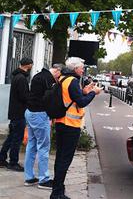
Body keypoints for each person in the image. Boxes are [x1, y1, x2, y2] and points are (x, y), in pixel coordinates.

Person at [50, 57, 102, 199]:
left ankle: (58, 190)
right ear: (74, 69)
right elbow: (81, 102)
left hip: (61, 122)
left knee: (60, 158)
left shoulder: (63, 79)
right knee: (65, 160)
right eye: (81, 67)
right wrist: (93, 93)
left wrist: (84, 91)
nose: (83, 69)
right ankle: (57, 193)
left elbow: (72, 98)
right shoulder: (72, 81)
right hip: (70, 125)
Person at [24, 64, 63, 189]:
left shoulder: (38, 76)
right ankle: (44, 179)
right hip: (40, 114)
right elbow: (49, 99)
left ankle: (29, 177)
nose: (59, 79)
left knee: (31, 144)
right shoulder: (49, 80)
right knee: (43, 147)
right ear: (57, 71)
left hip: (30, 112)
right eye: (59, 76)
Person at [0, 57, 33, 171]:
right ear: (28, 65)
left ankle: (1, 158)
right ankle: (13, 162)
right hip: (19, 112)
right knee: (17, 139)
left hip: (14, 112)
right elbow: (24, 96)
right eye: (31, 64)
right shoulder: (21, 78)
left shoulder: (16, 77)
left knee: (11, 137)